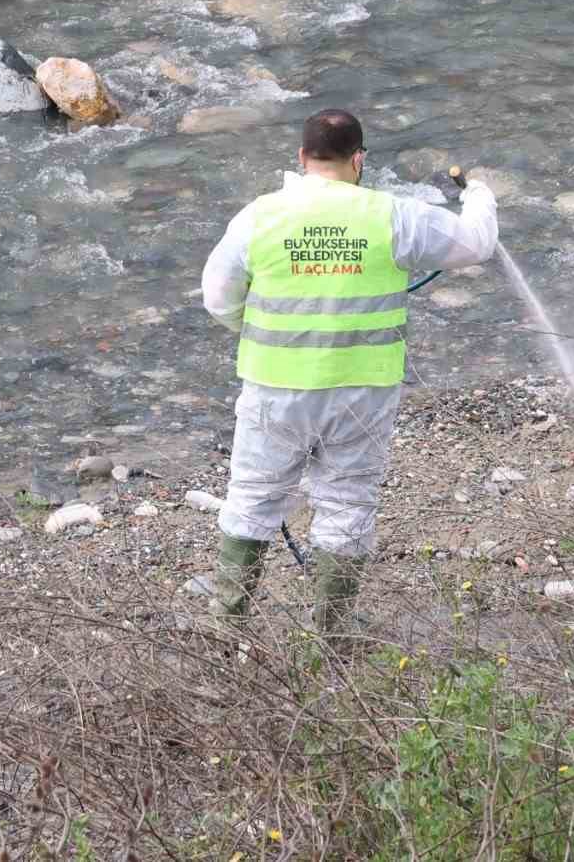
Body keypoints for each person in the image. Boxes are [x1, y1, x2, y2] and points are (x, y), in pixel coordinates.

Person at [200, 108, 498, 634]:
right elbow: (476, 245)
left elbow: (219, 297)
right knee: (347, 503)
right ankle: (331, 637)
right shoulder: (393, 215)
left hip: (276, 386)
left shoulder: (259, 215)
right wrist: (478, 194)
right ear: (359, 159)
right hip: (363, 390)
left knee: (252, 499)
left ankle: (227, 631)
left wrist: (254, 328)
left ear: (301, 158)